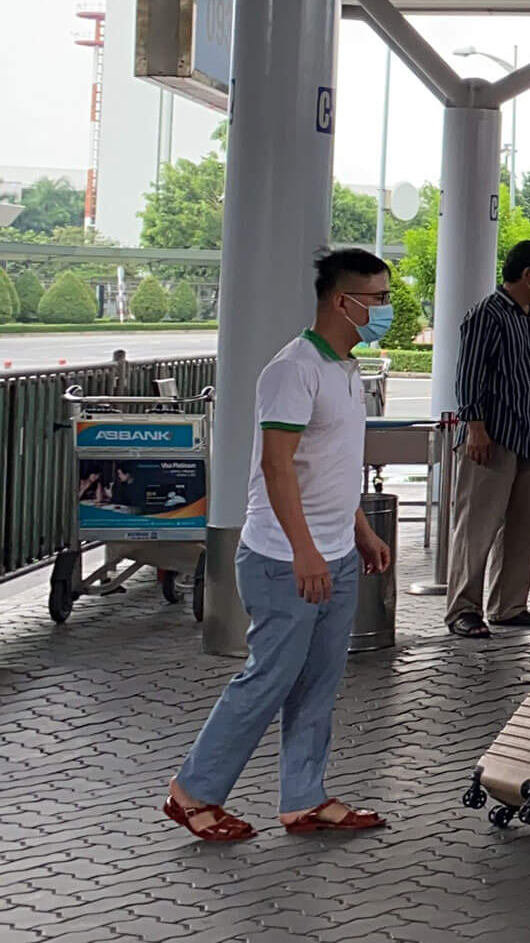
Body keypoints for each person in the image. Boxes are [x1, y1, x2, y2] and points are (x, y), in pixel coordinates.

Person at [162, 249, 395, 841]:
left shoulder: (346, 369)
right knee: (269, 679)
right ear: (343, 302)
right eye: (378, 299)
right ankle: (193, 793)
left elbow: (330, 466)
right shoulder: (293, 369)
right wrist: (304, 550)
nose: (386, 309)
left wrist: (360, 530)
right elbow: (276, 465)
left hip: (334, 553)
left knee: (318, 681)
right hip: (283, 559)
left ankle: (304, 797)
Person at [447, 238, 530, 639]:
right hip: (491, 438)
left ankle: (509, 605)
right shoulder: (486, 314)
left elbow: (523, 369)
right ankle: (463, 609)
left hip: (528, 436)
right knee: (477, 527)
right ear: (527, 275)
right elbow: (469, 373)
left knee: (522, 528)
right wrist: (475, 426)